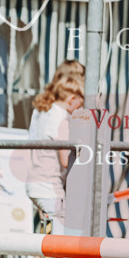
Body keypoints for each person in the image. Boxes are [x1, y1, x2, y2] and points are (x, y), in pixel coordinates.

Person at [25, 75, 84, 233]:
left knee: (50, 233)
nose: (81, 108)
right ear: (72, 99)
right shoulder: (62, 120)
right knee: (65, 236)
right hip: (49, 187)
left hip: (34, 181)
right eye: (81, 103)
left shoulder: (44, 112)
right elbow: (66, 160)